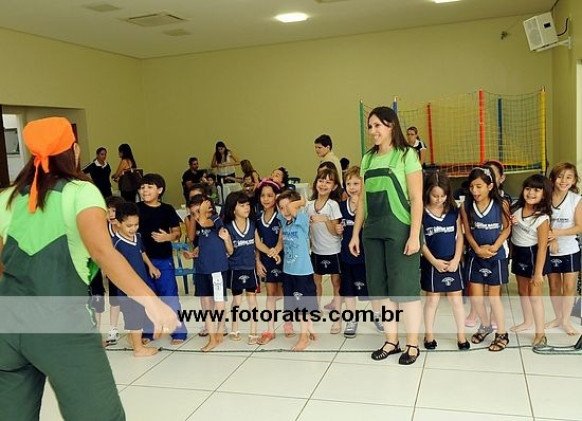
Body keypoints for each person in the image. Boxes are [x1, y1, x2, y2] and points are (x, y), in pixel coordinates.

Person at [0, 117, 178, 420]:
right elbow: (102, 251)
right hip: (62, 325)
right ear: (75, 149)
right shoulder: (80, 192)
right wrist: (152, 302)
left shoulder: (6, 197)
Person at [348, 106, 423, 365]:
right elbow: (362, 201)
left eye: (377, 125)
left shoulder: (407, 155)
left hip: (400, 230)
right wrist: (355, 234)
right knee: (379, 290)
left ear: (391, 125)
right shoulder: (368, 159)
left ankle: (412, 344)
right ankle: (391, 341)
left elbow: (416, 199)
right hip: (373, 231)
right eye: (370, 126)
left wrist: (414, 235)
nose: (373, 131)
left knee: (405, 290)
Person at [461, 166, 511, 352]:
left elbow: (507, 228)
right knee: (476, 297)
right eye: (472, 186)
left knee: (494, 297)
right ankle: (485, 325)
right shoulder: (466, 206)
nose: (474, 191)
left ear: (490, 186)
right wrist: (476, 249)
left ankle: (502, 334)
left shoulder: (501, 204)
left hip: (496, 256)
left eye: (479, 186)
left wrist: (495, 247)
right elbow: (467, 231)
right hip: (476, 256)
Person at [136, 173, 188, 344]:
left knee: (169, 296)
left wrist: (168, 237)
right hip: (141, 261)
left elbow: (177, 233)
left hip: (163, 259)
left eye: (149, 187)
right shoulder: (135, 209)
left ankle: (178, 331)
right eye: (142, 187)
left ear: (160, 190)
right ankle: (149, 331)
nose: (145, 190)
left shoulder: (167, 209)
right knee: (147, 298)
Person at [420, 172, 468, 350]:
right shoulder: (422, 213)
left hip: (452, 261)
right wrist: (434, 261)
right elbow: (420, 241)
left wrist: (456, 259)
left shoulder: (453, 211)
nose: (439, 199)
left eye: (443, 196)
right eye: (435, 196)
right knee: (432, 301)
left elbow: (459, 236)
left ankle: (461, 336)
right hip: (432, 262)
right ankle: (429, 335)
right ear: (427, 193)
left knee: (456, 300)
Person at [335, 166, 384, 338]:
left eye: (356, 183)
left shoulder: (369, 206)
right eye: (349, 184)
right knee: (348, 290)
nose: (352, 187)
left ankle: (377, 316)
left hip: (367, 257)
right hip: (347, 256)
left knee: (372, 289)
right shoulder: (340, 207)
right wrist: (337, 229)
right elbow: (336, 227)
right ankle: (351, 319)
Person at [112, 202, 162, 357]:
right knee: (134, 315)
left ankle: (134, 339)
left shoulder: (137, 237)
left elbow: (142, 252)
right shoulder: (116, 243)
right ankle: (138, 349)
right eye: (129, 226)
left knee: (139, 313)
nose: (133, 228)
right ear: (118, 223)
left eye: (136, 225)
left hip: (141, 284)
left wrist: (151, 266)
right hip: (128, 288)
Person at [509, 174, 552, 347]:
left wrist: (538, 273)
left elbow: (542, 247)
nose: (531, 193)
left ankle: (540, 333)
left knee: (535, 295)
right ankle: (527, 321)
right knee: (522, 291)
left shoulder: (542, 218)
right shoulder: (516, 209)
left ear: (544, 194)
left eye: (536, 190)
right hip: (519, 252)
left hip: (535, 255)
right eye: (528, 188)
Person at [276, 190, 317, 351]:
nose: (285, 211)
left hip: (302, 272)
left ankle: (304, 337)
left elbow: (296, 206)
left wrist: (300, 202)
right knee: (294, 304)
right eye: (281, 208)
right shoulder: (283, 220)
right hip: (288, 271)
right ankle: (309, 327)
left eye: (288, 207)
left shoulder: (302, 219)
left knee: (303, 307)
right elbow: (279, 211)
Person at [190, 194, 231, 351]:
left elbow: (204, 222)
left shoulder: (215, 220)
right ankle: (211, 336)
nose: (196, 216)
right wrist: (194, 252)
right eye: (193, 213)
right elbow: (203, 242)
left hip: (217, 270)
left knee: (219, 301)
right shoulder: (200, 225)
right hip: (202, 270)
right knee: (206, 303)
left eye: (198, 211)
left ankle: (220, 327)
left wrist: (202, 212)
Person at [546, 162, 582, 335]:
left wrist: (558, 233)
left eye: (568, 177)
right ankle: (558, 317)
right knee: (554, 287)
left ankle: (566, 321)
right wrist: (551, 239)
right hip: (550, 249)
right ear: (553, 179)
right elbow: (540, 221)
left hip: (570, 249)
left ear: (574, 180)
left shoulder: (576, 200)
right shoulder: (545, 197)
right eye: (560, 176)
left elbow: (579, 227)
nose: (563, 181)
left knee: (569, 287)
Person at [305, 168, 343, 332]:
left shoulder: (333, 205)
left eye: (328, 182)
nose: (324, 184)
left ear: (334, 187)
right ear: (315, 183)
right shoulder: (308, 205)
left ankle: (337, 315)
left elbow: (335, 231)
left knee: (336, 283)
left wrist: (325, 219)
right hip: (316, 251)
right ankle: (316, 309)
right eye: (321, 180)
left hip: (333, 250)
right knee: (316, 282)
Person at [223, 191, 262, 344]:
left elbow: (258, 245)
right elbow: (230, 250)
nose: (247, 208)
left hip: (250, 268)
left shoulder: (252, 225)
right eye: (242, 205)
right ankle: (235, 328)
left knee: (252, 300)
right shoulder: (228, 228)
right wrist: (226, 239)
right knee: (237, 300)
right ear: (233, 208)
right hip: (235, 268)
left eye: (247, 205)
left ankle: (254, 331)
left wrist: (272, 251)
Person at [254, 179, 286, 344]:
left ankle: (289, 323)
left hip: (284, 258)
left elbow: (282, 239)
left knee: (288, 292)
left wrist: (276, 251)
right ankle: (270, 329)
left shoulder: (281, 216)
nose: (266, 199)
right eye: (263, 195)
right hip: (267, 260)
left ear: (276, 197)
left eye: (270, 195)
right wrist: (258, 261)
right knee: (271, 293)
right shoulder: (257, 218)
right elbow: (257, 244)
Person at [104, 195, 126, 346]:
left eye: (114, 211)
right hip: (114, 269)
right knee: (114, 300)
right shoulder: (104, 228)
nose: (111, 214)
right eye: (108, 211)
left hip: (131, 268)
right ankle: (113, 329)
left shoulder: (127, 226)